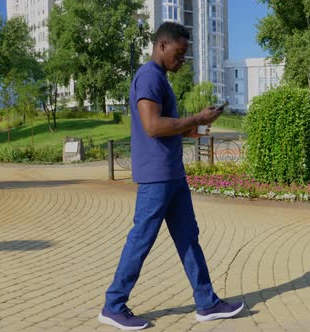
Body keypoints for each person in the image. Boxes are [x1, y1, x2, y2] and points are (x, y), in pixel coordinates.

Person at [98, 22, 244, 330]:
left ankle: (207, 303)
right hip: (157, 177)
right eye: (179, 53)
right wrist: (195, 119)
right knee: (141, 240)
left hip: (172, 175)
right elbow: (152, 126)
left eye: (185, 55)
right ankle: (113, 305)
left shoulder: (160, 78)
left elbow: (175, 128)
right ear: (162, 46)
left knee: (188, 237)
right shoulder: (149, 76)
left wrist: (202, 125)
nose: (182, 60)